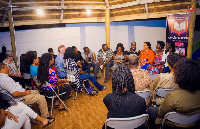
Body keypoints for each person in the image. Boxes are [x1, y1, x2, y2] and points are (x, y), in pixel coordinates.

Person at [147, 59, 200, 129]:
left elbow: (161, 113)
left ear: (180, 77)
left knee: (150, 110)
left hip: (171, 126)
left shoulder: (173, 96)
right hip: (194, 125)